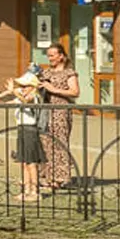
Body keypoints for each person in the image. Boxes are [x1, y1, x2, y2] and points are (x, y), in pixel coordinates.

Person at [0, 70, 46, 201]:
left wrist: (13, 91)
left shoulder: (35, 97)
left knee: (31, 163)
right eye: (21, 86)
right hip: (22, 129)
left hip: (30, 130)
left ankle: (35, 191)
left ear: (32, 87)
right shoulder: (20, 98)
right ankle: (26, 189)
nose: (22, 89)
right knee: (23, 162)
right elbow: (5, 104)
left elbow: (26, 101)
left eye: (25, 86)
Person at [37, 41, 79, 190]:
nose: (50, 58)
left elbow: (75, 92)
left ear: (61, 56)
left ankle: (61, 177)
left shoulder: (69, 73)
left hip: (61, 112)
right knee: (45, 143)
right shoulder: (46, 72)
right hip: (46, 111)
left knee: (59, 143)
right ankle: (47, 177)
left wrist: (53, 89)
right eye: (48, 55)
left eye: (52, 55)